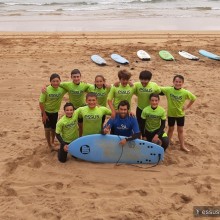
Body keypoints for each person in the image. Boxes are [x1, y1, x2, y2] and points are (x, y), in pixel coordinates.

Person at [160, 74, 196, 152]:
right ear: (173, 82)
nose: (178, 83)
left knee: (180, 130)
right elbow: (158, 88)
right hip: (171, 114)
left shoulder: (185, 92)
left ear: (182, 83)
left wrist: (187, 107)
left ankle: (182, 146)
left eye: (180, 82)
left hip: (180, 115)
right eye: (176, 81)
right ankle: (167, 144)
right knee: (170, 129)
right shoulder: (168, 90)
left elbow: (193, 98)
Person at [59, 69, 91, 136]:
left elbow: (95, 86)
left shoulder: (84, 85)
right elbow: (56, 84)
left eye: (77, 76)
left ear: (80, 77)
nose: (76, 78)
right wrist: (45, 86)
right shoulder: (67, 85)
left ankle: (80, 137)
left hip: (82, 108)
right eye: (74, 77)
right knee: (71, 125)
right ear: (71, 77)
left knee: (81, 125)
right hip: (72, 109)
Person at [39, 73, 67, 151]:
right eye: (53, 81)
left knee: (53, 129)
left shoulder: (62, 89)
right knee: (47, 129)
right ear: (50, 82)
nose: (55, 83)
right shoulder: (46, 90)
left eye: (57, 81)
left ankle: (52, 141)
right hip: (46, 112)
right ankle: (49, 144)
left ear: (60, 81)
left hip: (55, 112)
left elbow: (70, 85)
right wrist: (44, 115)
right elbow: (41, 102)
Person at [134, 70, 161, 137]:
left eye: (146, 80)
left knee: (148, 125)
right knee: (140, 124)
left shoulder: (154, 85)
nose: (143, 81)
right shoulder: (136, 85)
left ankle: (147, 136)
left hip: (150, 109)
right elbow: (130, 88)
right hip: (140, 108)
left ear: (149, 80)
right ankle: (140, 137)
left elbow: (158, 92)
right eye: (142, 79)